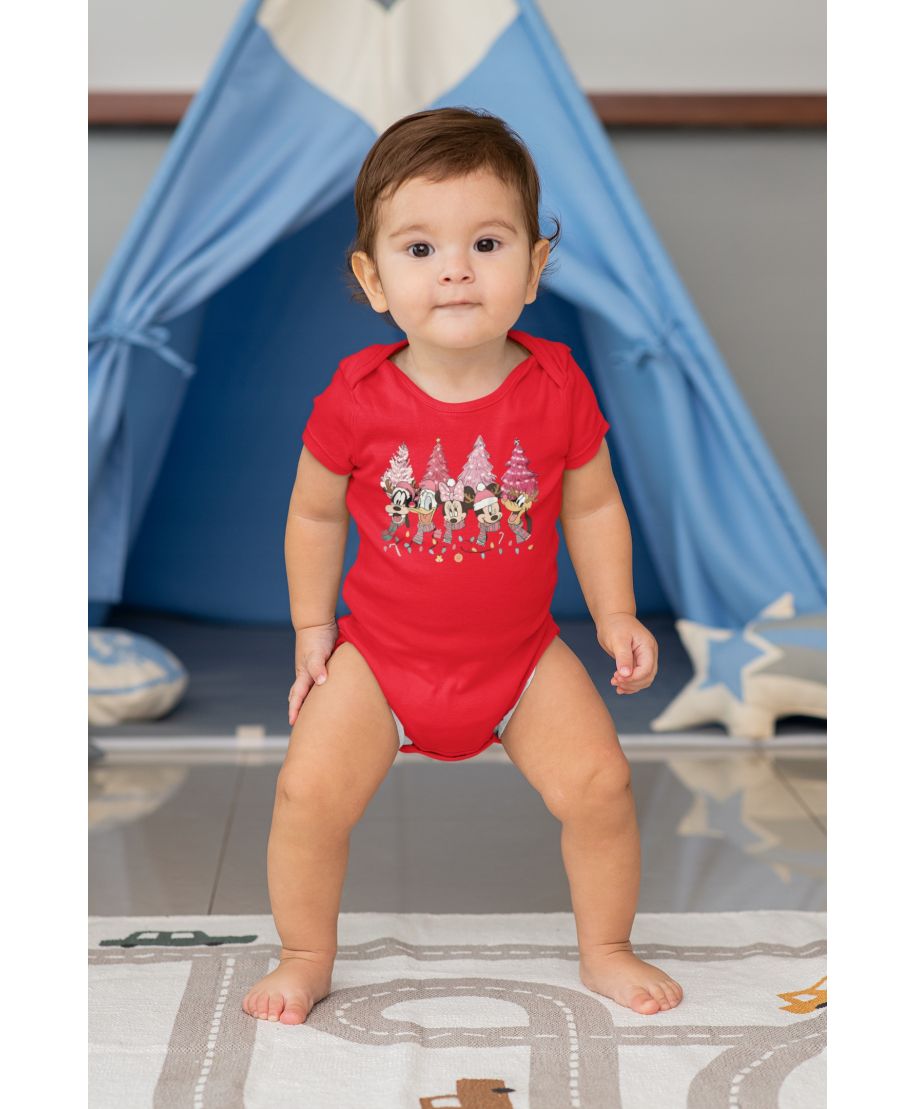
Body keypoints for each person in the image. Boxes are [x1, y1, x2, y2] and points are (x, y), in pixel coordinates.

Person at [242, 107, 683, 1025]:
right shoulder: (356, 398)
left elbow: (593, 505)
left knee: (601, 786)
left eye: (486, 242)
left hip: (519, 658)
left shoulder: (557, 385)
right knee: (305, 793)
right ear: (373, 279)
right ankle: (304, 954)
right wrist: (313, 631)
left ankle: (606, 945)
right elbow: (313, 513)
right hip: (380, 660)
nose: (455, 269)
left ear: (535, 266)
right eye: (419, 248)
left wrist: (614, 614)